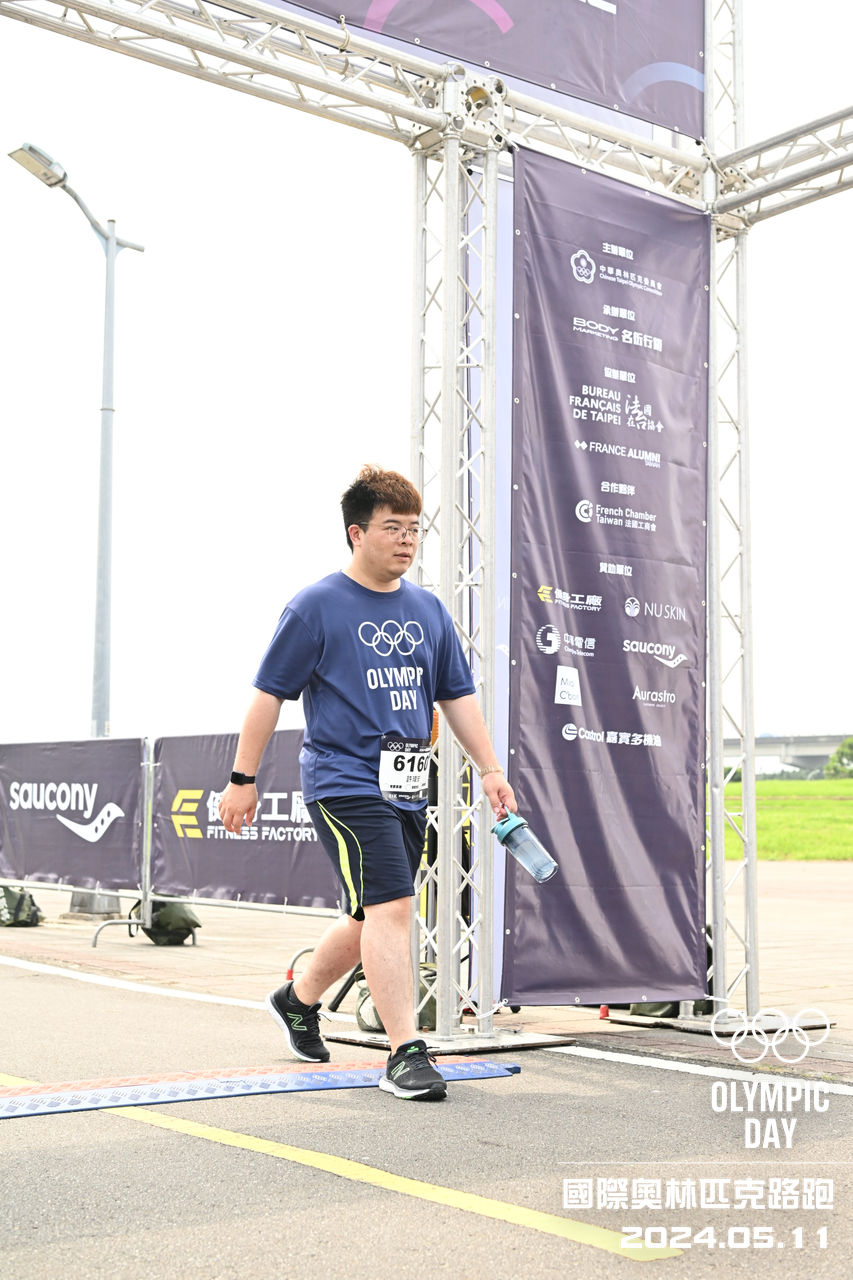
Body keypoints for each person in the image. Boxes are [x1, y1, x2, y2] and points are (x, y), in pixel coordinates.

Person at [218, 465, 516, 1101]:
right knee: (393, 908)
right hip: (344, 781)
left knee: (369, 914)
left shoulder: (427, 610)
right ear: (357, 533)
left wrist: (490, 769)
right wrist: (242, 778)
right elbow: (269, 695)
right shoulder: (316, 606)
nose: (407, 540)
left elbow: (457, 698)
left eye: (413, 529)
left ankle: (297, 999)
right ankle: (405, 1053)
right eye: (392, 528)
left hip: (407, 786)